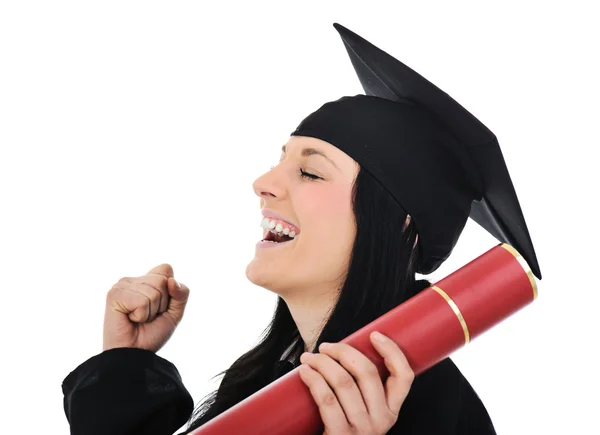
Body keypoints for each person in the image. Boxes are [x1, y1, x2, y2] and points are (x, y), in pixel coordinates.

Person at [62, 23, 541, 435]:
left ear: (401, 227)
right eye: (280, 161)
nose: (263, 184)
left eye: (310, 172)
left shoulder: (425, 402)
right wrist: (123, 361)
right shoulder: (265, 377)